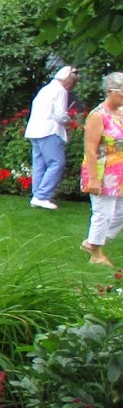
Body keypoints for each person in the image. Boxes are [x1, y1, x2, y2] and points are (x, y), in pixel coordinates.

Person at [79, 71, 123, 266]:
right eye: (122, 92)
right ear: (110, 91)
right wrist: (94, 179)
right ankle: (96, 253)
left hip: (120, 170)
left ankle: (93, 241)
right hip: (103, 170)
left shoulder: (121, 114)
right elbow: (90, 148)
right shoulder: (98, 115)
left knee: (120, 212)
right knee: (104, 212)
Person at [25, 65, 79, 209]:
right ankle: (42, 196)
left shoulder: (46, 89)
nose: (71, 87)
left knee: (39, 164)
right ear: (68, 80)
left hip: (34, 130)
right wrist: (69, 119)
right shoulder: (60, 90)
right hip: (50, 130)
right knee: (57, 163)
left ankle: (37, 195)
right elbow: (59, 114)